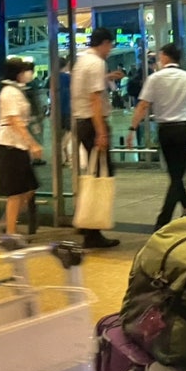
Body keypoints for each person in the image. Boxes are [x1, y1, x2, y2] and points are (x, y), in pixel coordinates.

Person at [126, 42, 186, 229]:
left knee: (175, 175)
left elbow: (143, 105)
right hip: (182, 130)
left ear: (165, 56)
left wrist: (132, 129)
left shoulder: (154, 78)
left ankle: (163, 220)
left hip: (165, 130)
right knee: (177, 175)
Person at [71, 27, 122, 249]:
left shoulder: (82, 60)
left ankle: (86, 225)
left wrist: (107, 77)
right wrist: (101, 132)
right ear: (105, 43)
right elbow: (94, 100)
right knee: (102, 176)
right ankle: (92, 232)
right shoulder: (96, 63)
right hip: (92, 123)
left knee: (94, 174)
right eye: (110, 45)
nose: (110, 50)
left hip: (82, 122)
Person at [0, 58, 42, 236]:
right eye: (24, 70)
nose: (28, 73)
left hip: (17, 146)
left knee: (28, 188)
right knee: (16, 192)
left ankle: (8, 223)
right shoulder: (10, 92)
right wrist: (32, 144)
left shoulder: (16, 90)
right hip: (9, 146)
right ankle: (10, 232)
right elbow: (15, 121)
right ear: (17, 73)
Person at [58, 56, 72, 165]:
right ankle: (63, 149)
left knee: (61, 133)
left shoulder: (53, 77)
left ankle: (65, 157)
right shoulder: (68, 77)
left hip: (58, 110)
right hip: (68, 109)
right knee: (70, 131)